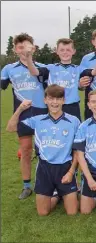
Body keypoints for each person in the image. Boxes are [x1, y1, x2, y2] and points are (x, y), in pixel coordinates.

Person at [6, 84, 80, 215]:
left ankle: (65, 191)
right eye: (51, 99)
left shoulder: (74, 121)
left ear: (63, 100)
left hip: (65, 168)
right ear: (45, 100)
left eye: (58, 99)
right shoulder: (37, 120)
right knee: (43, 213)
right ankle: (57, 196)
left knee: (72, 212)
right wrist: (20, 109)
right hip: (44, 168)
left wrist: (71, 171)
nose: (55, 102)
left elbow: (78, 151)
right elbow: (10, 128)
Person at [1, 33, 48, 199]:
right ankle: (27, 186)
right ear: (15, 49)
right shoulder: (8, 69)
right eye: (19, 47)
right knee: (26, 150)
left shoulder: (42, 67)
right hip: (23, 114)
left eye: (26, 46)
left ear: (33, 48)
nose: (23, 50)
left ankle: (47, 182)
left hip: (43, 113)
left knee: (44, 149)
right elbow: (2, 86)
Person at [25, 38, 83, 121]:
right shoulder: (50, 68)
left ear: (74, 51)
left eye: (68, 50)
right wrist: (28, 57)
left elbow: (92, 75)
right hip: (55, 105)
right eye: (62, 50)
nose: (65, 52)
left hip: (72, 106)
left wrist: (81, 84)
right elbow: (34, 72)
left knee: (75, 131)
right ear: (57, 51)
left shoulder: (78, 69)